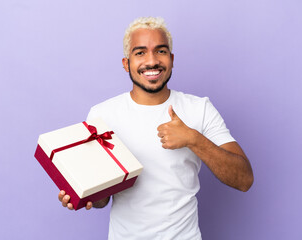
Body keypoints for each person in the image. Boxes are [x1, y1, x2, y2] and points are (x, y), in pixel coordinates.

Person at [58, 17, 253, 239]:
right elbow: (102, 200)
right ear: (126, 63)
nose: (151, 61)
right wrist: (82, 195)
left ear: (171, 59)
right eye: (140, 53)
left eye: (160, 51)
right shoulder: (102, 116)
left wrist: (193, 139)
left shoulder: (200, 109)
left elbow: (244, 180)